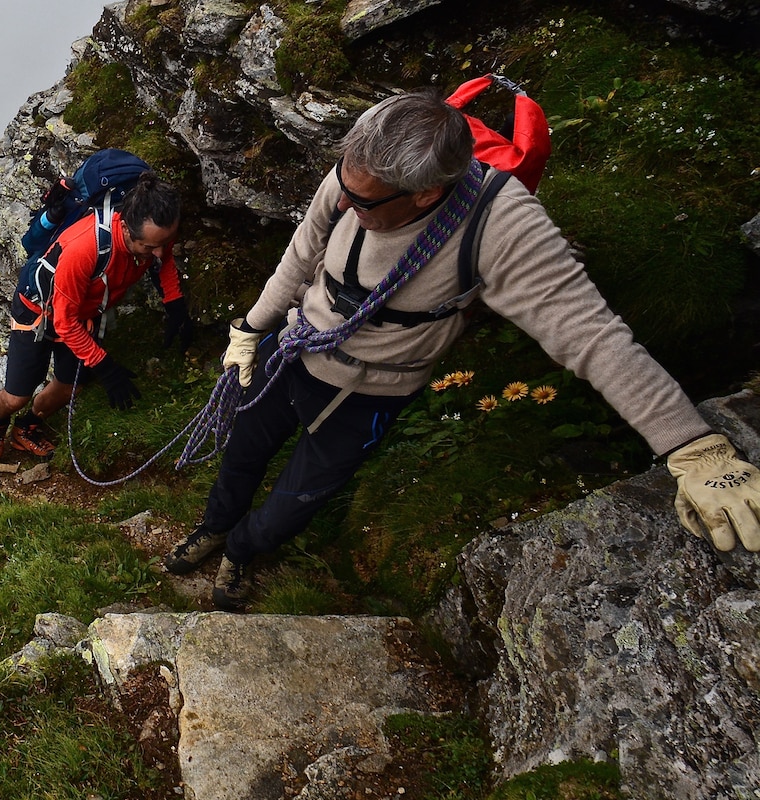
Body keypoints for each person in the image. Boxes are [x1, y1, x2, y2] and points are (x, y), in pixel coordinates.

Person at [165, 90, 760, 610]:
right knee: (241, 452)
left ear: (425, 195)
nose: (343, 203)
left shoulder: (499, 225)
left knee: (296, 500)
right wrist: (254, 325)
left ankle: (242, 551)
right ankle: (214, 528)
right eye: (343, 184)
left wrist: (691, 444)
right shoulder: (360, 172)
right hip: (295, 350)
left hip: (369, 391)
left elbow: (592, 334)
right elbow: (304, 250)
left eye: (363, 202)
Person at [0, 173, 189, 462]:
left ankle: (27, 428)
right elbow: (64, 322)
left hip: (82, 313)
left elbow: (163, 259)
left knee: (70, 386)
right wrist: (105, 366)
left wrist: (174, 301)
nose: (157, 252)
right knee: (17, 396)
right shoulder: (84, 249)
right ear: (126, 228)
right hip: (39, 312)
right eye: (148, 247)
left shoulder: (156, 233)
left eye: (163, 243)